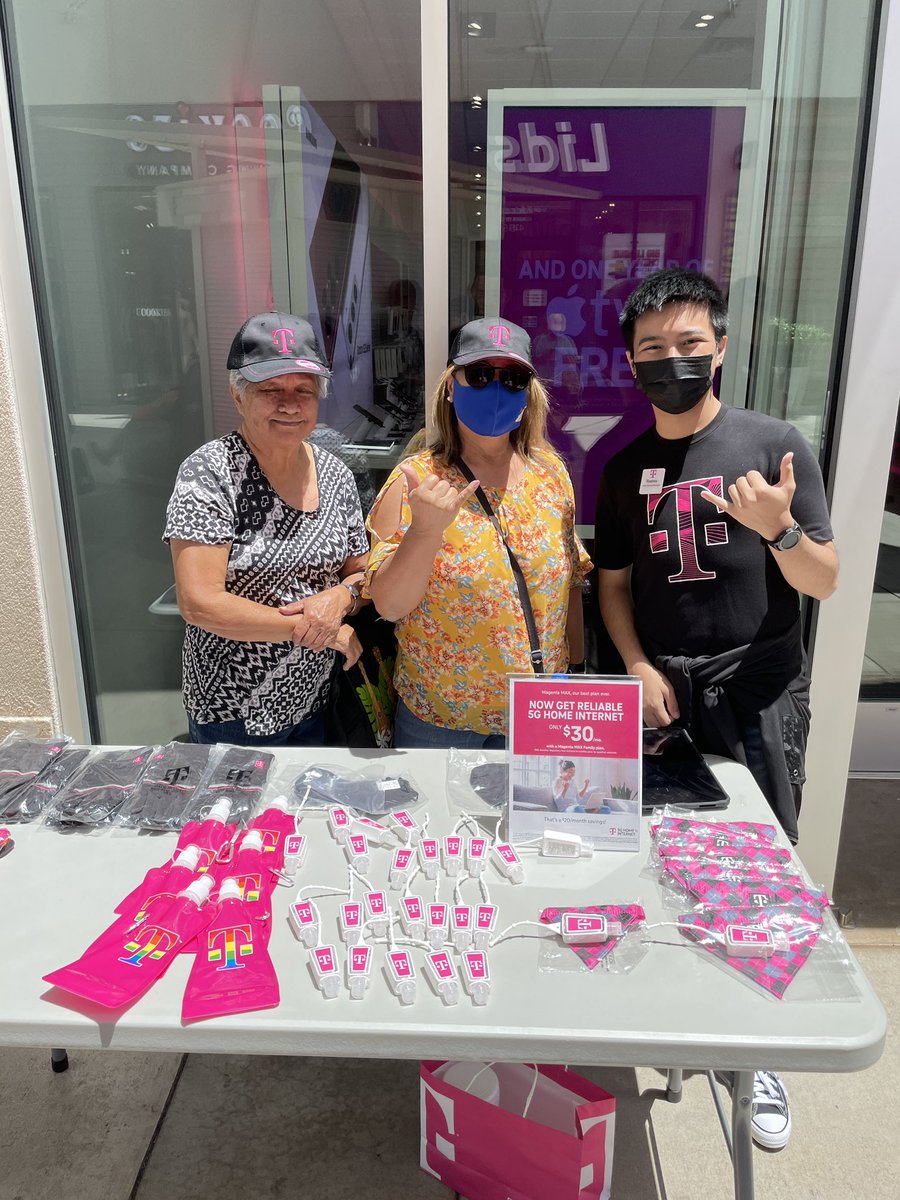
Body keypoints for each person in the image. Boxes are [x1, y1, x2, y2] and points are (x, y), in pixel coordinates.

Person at [594, 267, 838, 1150]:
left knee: (761, 873)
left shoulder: (773, 445)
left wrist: (780, 528)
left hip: (756, 689)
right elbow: (612, 587)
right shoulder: (621, 467)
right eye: (653, 348)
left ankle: (758, 1051)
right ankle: (682, 1010)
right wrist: (633, 665)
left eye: (690, 343)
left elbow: (825, 579)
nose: (674, 361)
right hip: (666, 697)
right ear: (631, 363)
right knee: (666, 862)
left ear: (722, 347)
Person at [366, 317, 591, 748]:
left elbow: (570, 586)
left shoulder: (551, 475)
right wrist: (424, 532)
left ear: (528, 393)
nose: (496, 388)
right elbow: (389, 605)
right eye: (481, 374)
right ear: (451, 386)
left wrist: (576, 673)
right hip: (441, 724)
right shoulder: (415, 480)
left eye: (513, 378)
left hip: (541, 714)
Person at [164, 312, 369, 746]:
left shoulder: (336, 473)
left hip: (317, 698)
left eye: (303, 391)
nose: (290, 405)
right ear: (238, 396)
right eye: (270, 390)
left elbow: (360, 571)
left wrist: (341, 597)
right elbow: (200, 603)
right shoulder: (210, 472)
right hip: (233, 710)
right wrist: (320, 630)